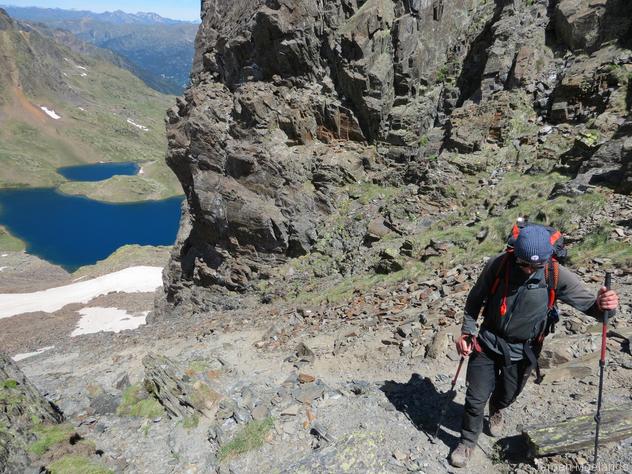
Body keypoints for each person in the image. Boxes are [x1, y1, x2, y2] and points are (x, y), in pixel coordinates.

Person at [448, 225, 619, 468]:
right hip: (487, 342)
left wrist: (607, 306)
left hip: (524, 350)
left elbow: (595, 310)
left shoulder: (556, 274)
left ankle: (497, 407)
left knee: (508, 394)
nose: (529, 270)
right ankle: (467, 442)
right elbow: (475, 298)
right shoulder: (498, 265)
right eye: (523, 264)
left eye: (535, 266)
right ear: (514, 254)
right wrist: (467, 329)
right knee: (475, 399)